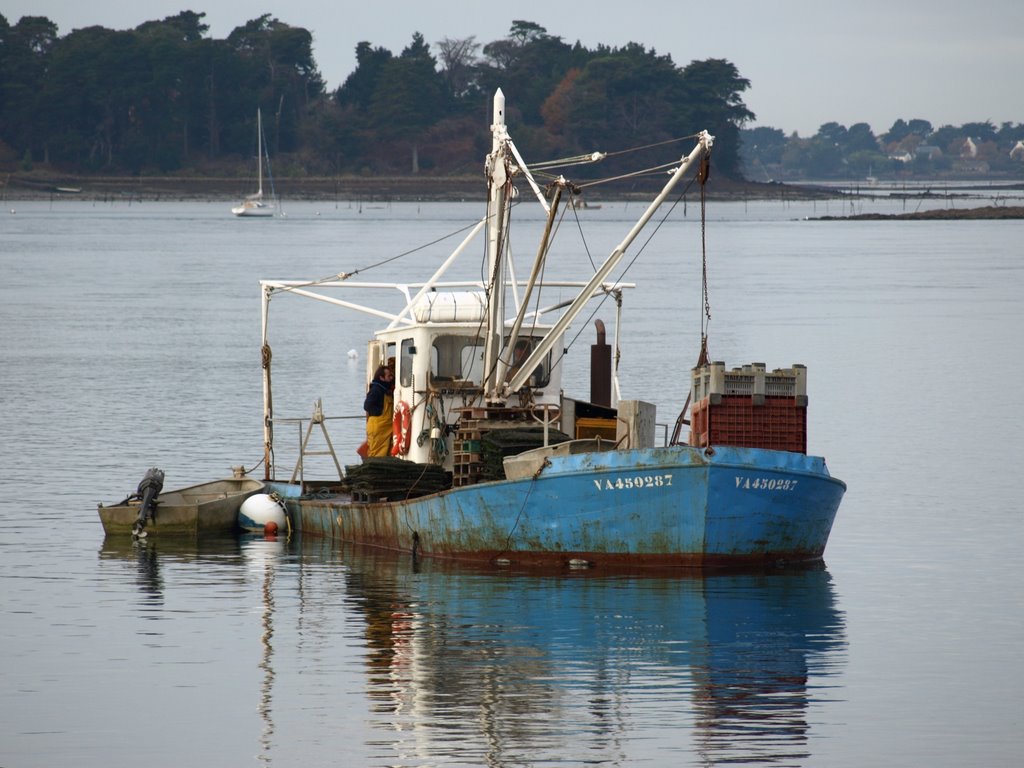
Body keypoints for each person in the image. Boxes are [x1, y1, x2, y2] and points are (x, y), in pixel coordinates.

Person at [363, 364, 395, 458]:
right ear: (381, 377)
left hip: (385, 428)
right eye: (389, 376)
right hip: (377, 428)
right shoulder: (376, 390)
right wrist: (379, 412)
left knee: (384, 454)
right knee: (376, 454)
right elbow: (367, 405)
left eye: (391, 375)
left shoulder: (385, 390)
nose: (391, 378)